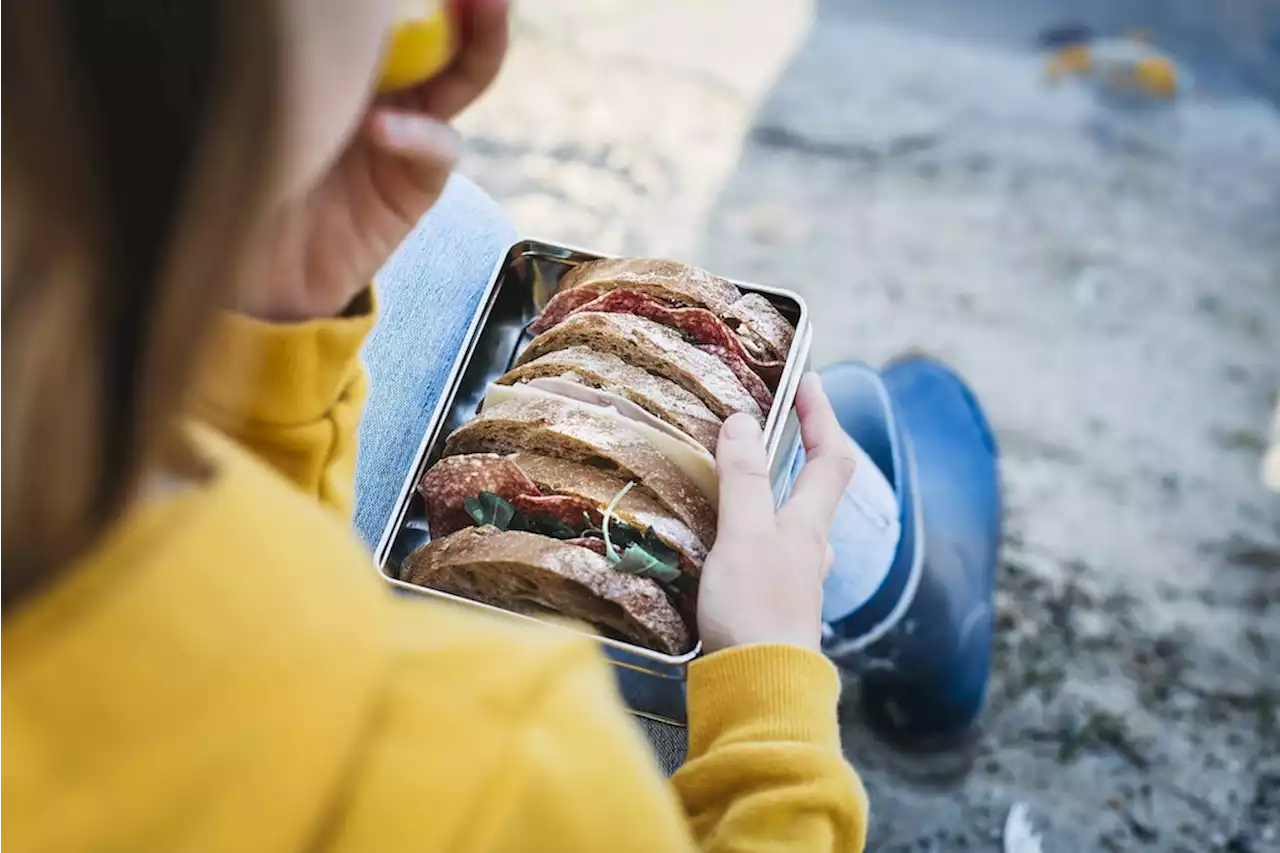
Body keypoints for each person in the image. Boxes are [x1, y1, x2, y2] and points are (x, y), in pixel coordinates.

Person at [0, 2, 872, 850]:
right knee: (858, 478)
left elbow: (215, 575)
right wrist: (773, 696)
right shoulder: (501, 759)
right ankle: (897, 597)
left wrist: (278, 342)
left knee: (451, 228)